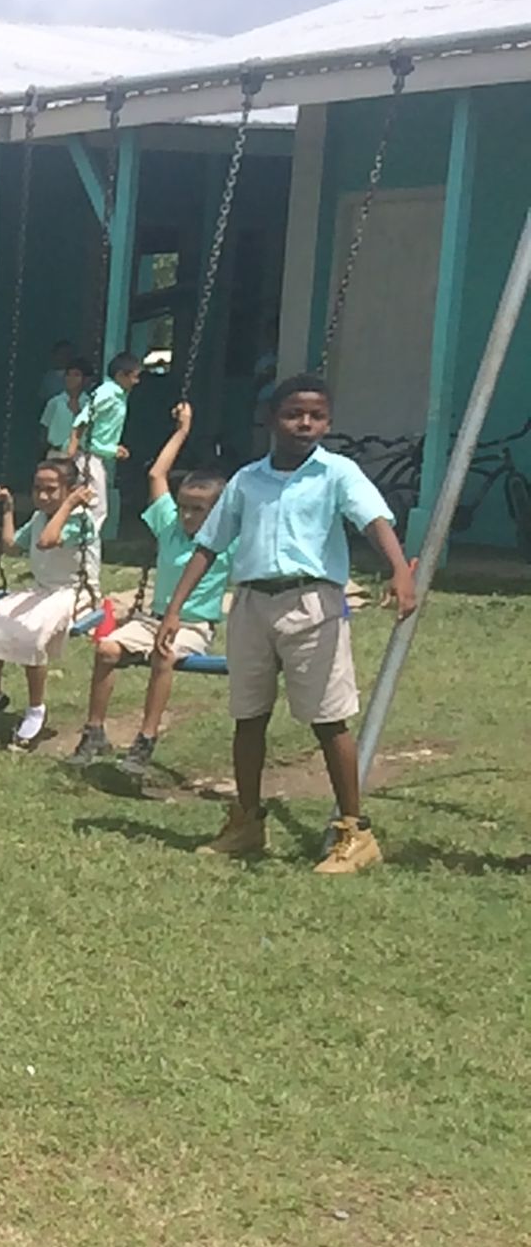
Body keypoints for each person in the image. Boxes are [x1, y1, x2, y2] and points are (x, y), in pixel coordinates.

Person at [152, 373, 418, 873]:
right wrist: (173, 609)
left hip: (312, 604)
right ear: (272, 420)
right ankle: (247, 820)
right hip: (253, 604)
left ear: (329, 422)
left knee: (327, 717)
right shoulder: (248, 480)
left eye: (317, 416)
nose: (305, 423)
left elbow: (374, 520)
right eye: (294, 414)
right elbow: (208, 545)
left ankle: (353, 831)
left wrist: (400, 571)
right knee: (248, 716)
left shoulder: (337, 473)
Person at [69, 402, 230, 772]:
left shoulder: (227, 540)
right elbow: (158, 474)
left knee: (164, 655)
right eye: (185, 507)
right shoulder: (170, 525)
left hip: (192, 627)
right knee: (106, 649)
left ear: (218, 513)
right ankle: (94, 730)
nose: (187, 515)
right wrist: (182, 431)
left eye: (197, 510)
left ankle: (145, 739)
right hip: (153, 619)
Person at [0, 459, 98, 750]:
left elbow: (46, 542)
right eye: (38, 489)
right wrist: (8, 509)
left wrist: (68, 506)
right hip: (42, 589)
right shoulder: (41, 517)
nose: (42, 496)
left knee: (33, 631)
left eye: (52, 490)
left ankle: (36, 708)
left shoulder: (79, 520)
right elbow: (11, 545)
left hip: (74, 592)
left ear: (70, 491)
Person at [71, 352, 140, 534]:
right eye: (134, 376)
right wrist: (71, 450)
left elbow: (103, 431)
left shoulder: (118, 395)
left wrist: (113, 449)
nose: (136, 381)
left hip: (96, 454)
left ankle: (83, 539)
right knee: (96, 506)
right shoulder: (107, 393)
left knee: (92, 502)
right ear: (120, 376)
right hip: (87, 456)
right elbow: (83, 419)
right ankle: (85, 542)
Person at [40, 356, 89, 458]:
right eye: (68, 375)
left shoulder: (89, 404)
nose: (71, 379)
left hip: (80, 454)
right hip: (56, 452)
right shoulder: (55, 402)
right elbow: (45, 428)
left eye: (76, 375)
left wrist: (78, 413)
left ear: (86, 379)